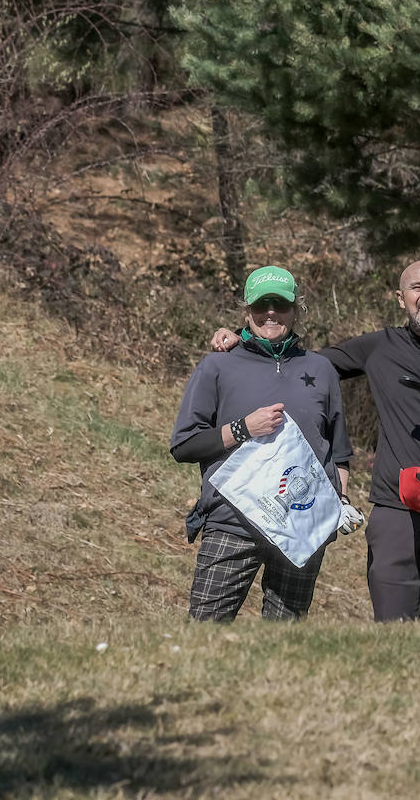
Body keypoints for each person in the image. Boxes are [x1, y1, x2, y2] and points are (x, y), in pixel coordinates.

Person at [213, 260, 420, 621]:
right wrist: (244, 340)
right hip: (395, 512)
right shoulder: (379, 346)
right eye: (417, 288)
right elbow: (302, 364)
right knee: (391, 635)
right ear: (401, 298)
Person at [172, 265, 359, 621]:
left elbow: (338, 450)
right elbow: (184, 445)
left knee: (283, 643)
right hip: (232, 521)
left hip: (301, 526)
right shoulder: (217, 366)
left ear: (295, 310)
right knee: (204, 636)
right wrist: (243, 428)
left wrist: (342, 501)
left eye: (280, 304)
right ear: (247, 311)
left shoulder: (320, 369)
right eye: (261, 305)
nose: (270, 312)